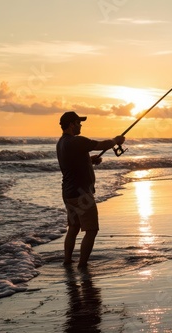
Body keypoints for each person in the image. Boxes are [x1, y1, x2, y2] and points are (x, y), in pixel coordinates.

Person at [56, 111, 125, 268]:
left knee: (73, 227)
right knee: (91, 230)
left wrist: (89, 160)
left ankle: (67, 260)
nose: (80, 125)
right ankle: (82, 265)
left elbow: (72, 163)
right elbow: (100, 145)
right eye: (79, 123)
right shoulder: (76, 141)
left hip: (68, 193)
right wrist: (116, 140)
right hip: (82, 194)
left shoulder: (61, 143)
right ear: (72, 124)